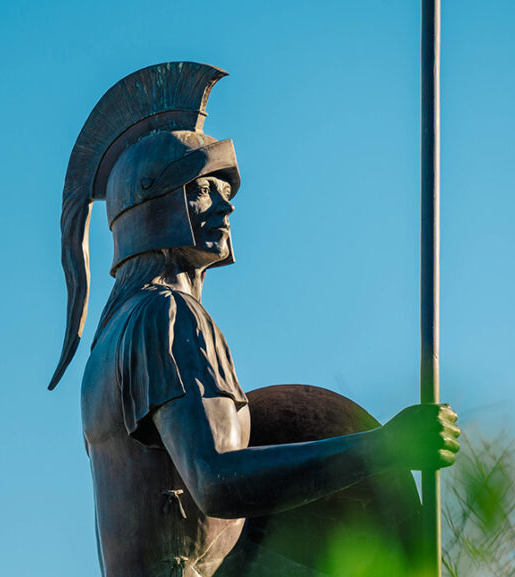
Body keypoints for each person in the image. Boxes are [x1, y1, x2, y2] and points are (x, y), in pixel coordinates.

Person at [49, 62, 459, 577]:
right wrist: (382, 447)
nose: (226, 207)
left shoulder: (116, 336)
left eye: (226, 191)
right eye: (202, 189)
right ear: (151, 205)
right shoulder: (167, 316)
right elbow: (217, 480)